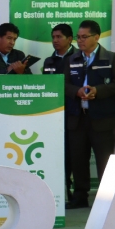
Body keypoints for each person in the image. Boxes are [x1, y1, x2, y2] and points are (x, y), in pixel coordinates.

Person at [64, 20, 115, 209]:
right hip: (77, 117)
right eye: (78, 37)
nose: (80, 41)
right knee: (78, 159)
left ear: (97, 37)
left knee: (104, 159)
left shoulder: (111, 58)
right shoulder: (72, 59)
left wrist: (97, 91)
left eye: (84, 37)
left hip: (101, 118)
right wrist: (76, 91)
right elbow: (63, 84)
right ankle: (80, 196)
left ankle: (106, 198)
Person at [42, 23, 76, 202]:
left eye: (59, 37)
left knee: (73, 155)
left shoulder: (79, 58)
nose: (55, 40)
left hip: (74, 114)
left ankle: (73, 191)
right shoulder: (49, 61)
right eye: (53, 37)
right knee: (56, 153)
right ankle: (58, 189)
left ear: (70, 39)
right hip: (53, 116)